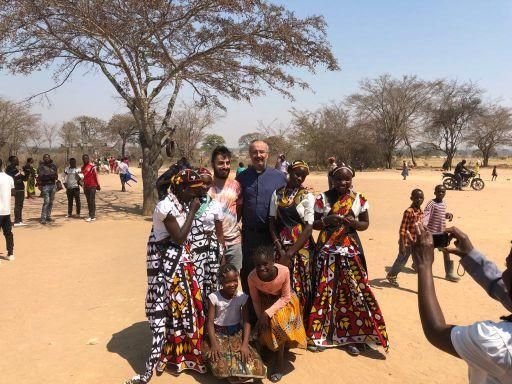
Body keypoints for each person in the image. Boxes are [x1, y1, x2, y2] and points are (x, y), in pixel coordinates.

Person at [126, 169, 203, 384]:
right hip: (169, 269)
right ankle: (172, 356)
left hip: (181, 265)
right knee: (174, 311)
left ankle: (186, 355)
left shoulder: (180, 201)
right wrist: (193, 211)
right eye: (192, 191)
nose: (195, 196)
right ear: (181, 188)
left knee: (184, 310)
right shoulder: (166, 206)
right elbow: (178, 238)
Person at [412, 225, 512, 384]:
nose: (506, 260)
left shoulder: (496, 342)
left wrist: (424, 265)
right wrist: (471, 255)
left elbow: (435, 330)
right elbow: (504, 291)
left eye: (511, 260)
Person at [307, 165, 389, 356]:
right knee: (325, 291)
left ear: (352, 180)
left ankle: (353, 337)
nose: (342, 183)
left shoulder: (359, 199)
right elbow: (314, 224)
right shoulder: (322, 199)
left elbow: (365, 224)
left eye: (347, 180)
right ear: (332, 180)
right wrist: (328, 221)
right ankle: (321, 335)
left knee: (353, 291)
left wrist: (353, 223)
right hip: (327, 251)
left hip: (350, 250)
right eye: (338, 180)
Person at [248, 245, 307, 383]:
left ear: (273, 261)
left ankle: (279, 362)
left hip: (286, 302)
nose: (261, 268)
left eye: (265, 264)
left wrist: (266, 314)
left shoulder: (284, 271)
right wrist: (260, 318)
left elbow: (286, 297)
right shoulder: (252, 277)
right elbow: (255, 300)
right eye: (258, 265)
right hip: (266, 301)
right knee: (264, 327)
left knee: (277, 322)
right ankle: (271, 349)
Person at [236, 139, 287, 293]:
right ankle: (250, 312)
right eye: (254, 152)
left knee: (271, 273)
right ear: (250, 155)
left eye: (261, 152)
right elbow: (236, 205)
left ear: (267, 154)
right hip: (250, 236)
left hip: (272, 237)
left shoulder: (279, 177)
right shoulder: (242, 178)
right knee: (249, 273)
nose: (258, 155)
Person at [203, 263, 267, 383]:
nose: (232, 284)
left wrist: (244, 344)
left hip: (236, 333)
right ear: (221, 282)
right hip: (218, 334)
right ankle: (232, 376)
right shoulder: (214, 297)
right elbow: (210, 323)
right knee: (219, 363)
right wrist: (214, 343)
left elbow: (247, 321)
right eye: (228, 282)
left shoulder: (242, 297)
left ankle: (238, 375)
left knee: (254, 363)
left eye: (235, 280)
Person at [269, 160, 315, 313]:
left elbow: (308, 228)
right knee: (281, 284)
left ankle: (301, 321)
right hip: (280, 247)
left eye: (303, 176)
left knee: (301, 284)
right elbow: (271, 222)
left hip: (300, 249)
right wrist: (279, 248)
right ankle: (282, 321)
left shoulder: (307, 196)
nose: (300, 179)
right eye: (297, 174)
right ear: (289, 171)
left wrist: (290, 253)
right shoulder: (277, 193)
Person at [192, 167, 225, 312]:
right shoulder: (187, 204)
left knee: (211, 284)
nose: (204, 187)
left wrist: (222, 254)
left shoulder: (215, 205)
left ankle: (209, 321)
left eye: (207, 184)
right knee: (194, 284)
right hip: (192, 251)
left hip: (211, 251)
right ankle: (196, 319)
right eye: (201, 183)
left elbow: (219, 233)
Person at [209, 146, 243, 271]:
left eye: (228, 163)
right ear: (212, 164)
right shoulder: (206, 188)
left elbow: (239, 210)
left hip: (234, 243)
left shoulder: (236, 186)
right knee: (214, 281)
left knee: (233, 281)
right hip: (212, 243)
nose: (225, 166)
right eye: (221, 163)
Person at [386, 189, 424, 287]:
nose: (419, 200)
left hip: (416, 241)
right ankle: (391, 275)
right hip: (407, 242)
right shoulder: (408, 211)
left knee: (419, 257)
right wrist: (402, 245)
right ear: (411, 198)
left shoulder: (420, 211)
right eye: (416, 198)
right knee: (401, 260)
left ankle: (415, 266)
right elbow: (403, 229)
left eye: (421, 198)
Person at [422, 185, 459, 282]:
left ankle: (449, 273)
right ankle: (419, 266)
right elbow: (426, 214)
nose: (441, 194)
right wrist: (424, 226)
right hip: (431, 233)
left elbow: (441, 214)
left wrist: (448, 215)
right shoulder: (431, 203)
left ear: (445, 193)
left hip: (442, 233)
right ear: (435, 193)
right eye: (439, 192)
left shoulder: (444, 203)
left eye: (443, 192)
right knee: (428, 253)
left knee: (446, 251)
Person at [6, 156, 28, 226]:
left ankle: (19, 220)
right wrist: (20, 172)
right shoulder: (10, 168)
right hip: (17, 188)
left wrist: (27, 172)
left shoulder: (15, 169)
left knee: (20, 205)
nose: (18, 161)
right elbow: (14, 177)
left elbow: (24, 179)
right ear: (12, 161)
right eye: (16, 160)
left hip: (20, 188)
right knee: (18, 205)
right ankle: (17, 221)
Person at [0, 159, 15, 263]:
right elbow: (13, 192)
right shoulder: (9, 178)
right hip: (6, 210)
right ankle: (10, 253)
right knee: (8, 233)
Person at [37, 154, 58, 224]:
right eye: (45, 158)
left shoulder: (53, 166)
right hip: (45, 186)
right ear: (43, 159)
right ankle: (43, 218)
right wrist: (49, 175)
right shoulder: (41, 167)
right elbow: (40, 176)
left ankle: (48, 216)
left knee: (51, 202)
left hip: (53, 185)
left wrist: (47, 175)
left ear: (50, 158)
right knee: (46, 202)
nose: (46, 159)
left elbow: (55, 176)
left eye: (47, 157)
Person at [81, 154, 101, 222]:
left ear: (88, 159)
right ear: (82, 159)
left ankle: (91, 215)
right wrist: (82, 184)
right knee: (88, 201)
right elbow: (82, 178)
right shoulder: (82, 167)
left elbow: (96, 175)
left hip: (92, 186)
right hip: (86, 186)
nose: (85, 159)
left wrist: (98, 185)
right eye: (84, 158)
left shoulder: (92, 166)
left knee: (91, 200)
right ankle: (91, 215)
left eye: (86, 158)